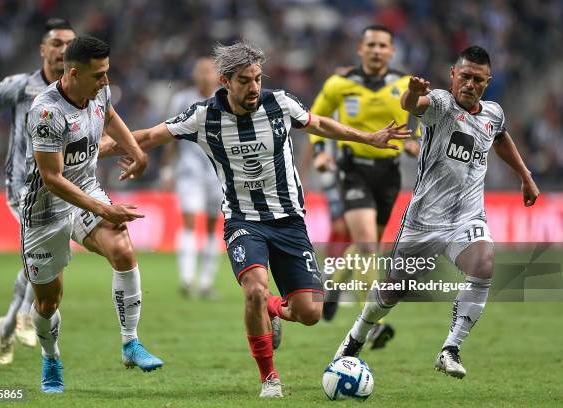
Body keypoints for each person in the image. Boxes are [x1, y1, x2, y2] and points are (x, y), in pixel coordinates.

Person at [100, 40, 410, 398]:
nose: (254, 88)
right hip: (243, 221)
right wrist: (95, 149)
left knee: (310, 312)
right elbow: (150, 136)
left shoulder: (279, 104)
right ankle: (269, 379)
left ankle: (274, 309)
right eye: (245, 81)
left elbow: (321, 124)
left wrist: (368, 137)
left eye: (258, 79)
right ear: (225, 81)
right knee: (255, 290)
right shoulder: (204, 115)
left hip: (290, 220)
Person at [334, 45, 540, 379]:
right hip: (423, 223)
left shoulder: (493, 113)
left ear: (487, 82)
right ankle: (356, 336)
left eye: (478, 79)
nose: (470, 84)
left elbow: (500, 138)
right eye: (465, 76)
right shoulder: (442, 104)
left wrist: (525, 176)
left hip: (467, 219)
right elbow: (414, 105)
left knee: (484, 264)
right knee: (392, 291)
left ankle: (450, 349)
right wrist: (412, 95)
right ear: (453, 76)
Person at [22, 35, 163, 393]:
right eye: (99, 75)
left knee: (123, 251)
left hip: (86, 189)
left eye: (107, 73)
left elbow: (111, 115)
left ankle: (130, 343)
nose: (106, 82)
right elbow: (52, 179)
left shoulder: (99, 91)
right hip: (45, 211)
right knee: (47, 300)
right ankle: (51, 357)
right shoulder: (47, 112)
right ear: (73, 73)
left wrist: (137, 152)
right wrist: (104, 207)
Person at [0, 18, 76, 366]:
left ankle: (7, 325)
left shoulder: (76, 91)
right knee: (47, 257)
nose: (63, 50)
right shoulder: (20, 86)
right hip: (23, 189)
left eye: (69, 44)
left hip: (63, 187)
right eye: (57, 44)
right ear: (43, 49)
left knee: (46, 259)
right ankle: (27, 318)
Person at [309, 26, 420, 346]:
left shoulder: (404, 84)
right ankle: (372, 323)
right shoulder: (340, 84)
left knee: (367, 248)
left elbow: (425, 119)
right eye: (370, 44)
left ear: (391, 51)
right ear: (360, 48)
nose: (376, 50)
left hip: (389, 174)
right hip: (352, 169)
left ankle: (333, 285)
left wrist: (415, 142)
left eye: (382, 45)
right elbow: (316, 118)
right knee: (368, 245)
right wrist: (320, 154)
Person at [160, 57, 222, 299]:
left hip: (217, 171)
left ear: (218, 75)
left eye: (209, 71)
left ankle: (205, 283)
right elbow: (168, 135)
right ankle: (186, 279)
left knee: (210, 225)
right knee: (188, 222)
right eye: (200, 71)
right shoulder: (181, 99)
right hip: (189, 170)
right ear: (194, 75)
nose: (204, 75)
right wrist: (167, 170)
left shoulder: (225, 98)